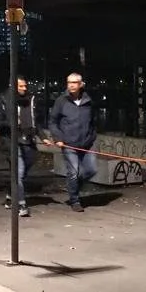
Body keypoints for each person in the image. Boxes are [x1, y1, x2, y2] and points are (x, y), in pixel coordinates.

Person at [0, 77, 52, 217]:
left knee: (23, 171)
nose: (24, 88)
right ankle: (21, 204)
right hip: (11, 140)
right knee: (19, 171)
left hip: (28, 140)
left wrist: (43, 137)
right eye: (21, 86)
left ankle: (11, 194)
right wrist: (2, 127)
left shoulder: (31, 100)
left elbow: (35, 122)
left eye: (25, 86)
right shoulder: (3, 99)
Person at [50, 72, 98, 212]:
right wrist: (58, 138)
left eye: (74, 82)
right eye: (69, 82)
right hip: (68, 143)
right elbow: (53, 122)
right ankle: (74, 200)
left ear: (81, 84)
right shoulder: (61, 101)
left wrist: (92, 135)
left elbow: (94, 120)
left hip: (87, 143)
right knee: (73, 172)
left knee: (91, 170)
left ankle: (74, 187)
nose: (71, 85)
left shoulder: (88, 101)